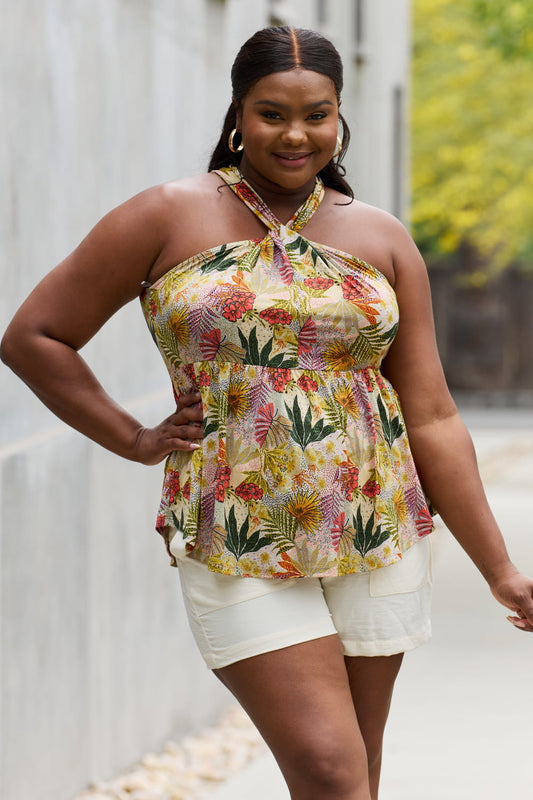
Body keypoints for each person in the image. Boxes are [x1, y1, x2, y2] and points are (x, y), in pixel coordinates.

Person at [1, 25, 532, 800]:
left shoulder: (379, 238)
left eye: (315, 114)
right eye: (270, 113)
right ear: (237, 116)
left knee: (353, 777)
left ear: (338, 117)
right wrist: (136, 439)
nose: (294, 134)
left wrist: (499, 570)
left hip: (373, 530)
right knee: (328, 767)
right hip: (234, 533)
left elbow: (432, 415)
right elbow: (35, 336)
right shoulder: (165, 216)